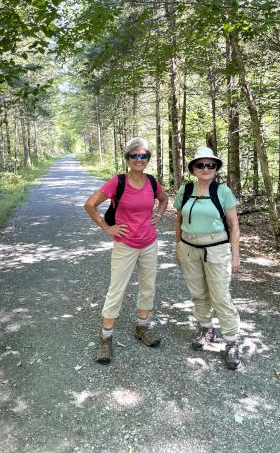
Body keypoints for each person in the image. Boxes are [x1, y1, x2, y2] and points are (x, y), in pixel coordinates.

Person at [84, 137, 169, 365]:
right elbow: (90, 204)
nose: (139, 159)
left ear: (148, 159)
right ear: (127, 158)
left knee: (148, 286)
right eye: (134, 155)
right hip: (125, 244)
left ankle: (142, 328)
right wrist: (106, 227)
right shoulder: (117, 182)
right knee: (117, 289)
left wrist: (158, 215)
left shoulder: (152, 182)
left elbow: (163, 199)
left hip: (149, 243)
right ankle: (106, 338)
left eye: (143, 156)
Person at [174, 147, 241, 370]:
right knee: (198, 293)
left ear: (215, 169)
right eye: (201, 165)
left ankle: (231, 340)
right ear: (193, 168)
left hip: (217, 249)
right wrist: (178, 246)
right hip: (189, 248)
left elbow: (233, 226)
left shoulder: (223, 191)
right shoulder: (185, 190)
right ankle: (206, 330)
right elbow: (178, 220)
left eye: (210, 165)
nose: (205, 169)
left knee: (220, 295)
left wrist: (235, 255)